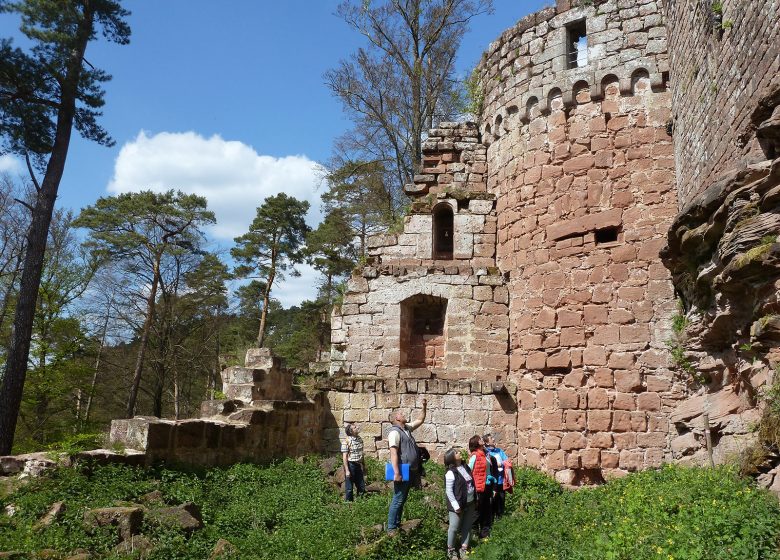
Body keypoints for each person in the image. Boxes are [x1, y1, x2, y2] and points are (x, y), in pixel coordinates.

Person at [386, 398, 427, 534]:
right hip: (402, 470)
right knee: (398, 498)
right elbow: (393, 453)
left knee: (402, 498)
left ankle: (397, 523)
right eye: (401, 413)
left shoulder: (407, 429)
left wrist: (424, 407)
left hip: (411, 470)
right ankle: (391, 528)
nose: (403, 414)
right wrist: (396, 473)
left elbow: (420, 420)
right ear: (396, 418)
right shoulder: (394, 432)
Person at [444, 447, 477, 559]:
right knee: (453, 527)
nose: (459, 452)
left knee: (467, 526)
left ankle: (463, 549)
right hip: (458, 505)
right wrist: (455, 506)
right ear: (452, 458)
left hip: (470, 502)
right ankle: (451, 550)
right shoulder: (450, 473)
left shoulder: (465, 467)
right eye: (457, 452)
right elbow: (449, 491)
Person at [468, 434, 493, 539]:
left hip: (486, 485)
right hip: (478, 487)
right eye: (480, 439)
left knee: (486, 510)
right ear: (476, 443)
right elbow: (469, 470)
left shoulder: (484, 453)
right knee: (477, 511)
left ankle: (485, 534)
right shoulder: (475, 455)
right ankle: (473, 533)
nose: (482, 440)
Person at [483, 433, 509, 518]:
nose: (494, 439)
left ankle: (500, 519)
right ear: (486, 443)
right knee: (492, 501)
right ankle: (491, 520)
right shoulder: (486, 453)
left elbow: (507, 461)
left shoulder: (499, 451)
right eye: (491, 439)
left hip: (501, 480)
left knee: (501, 500)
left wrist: (502, 463)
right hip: (491, 481)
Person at [341, 422, 366, 501]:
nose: (357, 428)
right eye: (355, 427)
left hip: (358, 464)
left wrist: (364, 465)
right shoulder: (346, 441)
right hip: (350, 465)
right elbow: (344, 457)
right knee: (349, 488)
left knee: (361, 485)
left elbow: (361, 453)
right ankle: (348, 506)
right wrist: (347, 470)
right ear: (351, 431)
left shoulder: (359, 439)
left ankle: (360, 503)